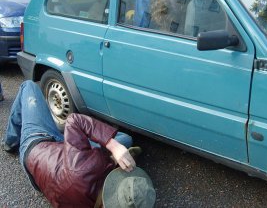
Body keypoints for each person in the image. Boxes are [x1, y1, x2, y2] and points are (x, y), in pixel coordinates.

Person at [2, 80, 156, 208]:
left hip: (37, 143)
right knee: (125, 141)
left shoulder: (85, 168)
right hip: (56, 173)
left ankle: (10, 142)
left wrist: (112, 146)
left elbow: (73, 120)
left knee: (28, 87)